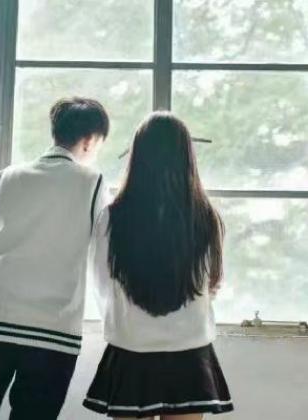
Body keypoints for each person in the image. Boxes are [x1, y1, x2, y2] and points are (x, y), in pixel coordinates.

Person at [0, 97, 110, 420]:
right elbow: (102, 262)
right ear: (89, 140)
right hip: (53, 331)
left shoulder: (5, 178)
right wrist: (112, 319)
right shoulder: (92, 183)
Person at [83, 111, 234, 420]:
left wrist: (125, 319)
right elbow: (212, 285)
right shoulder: (206, 217)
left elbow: (101, 284)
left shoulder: (112, 217)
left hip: (131, 346)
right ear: (187, 157)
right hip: (189, 348)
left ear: (137, 157)